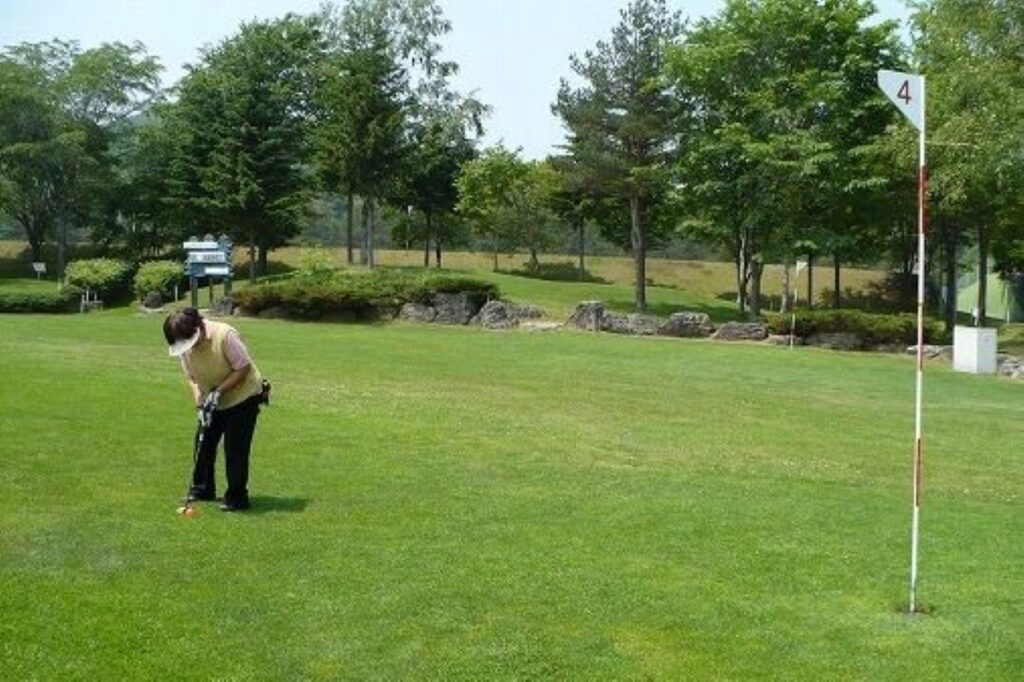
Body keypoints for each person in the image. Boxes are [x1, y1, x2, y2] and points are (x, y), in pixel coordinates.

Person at [163, 307, 265, 511]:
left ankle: (237, 498)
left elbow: (243, 367)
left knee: (235, 449)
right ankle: (202, 489)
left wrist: (219, 392)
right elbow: (192, 377)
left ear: (198, 328)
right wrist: (200, 400)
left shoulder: (224, 335)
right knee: (203, 443)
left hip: (243, 398)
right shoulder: (184, 345)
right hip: (211, 397)